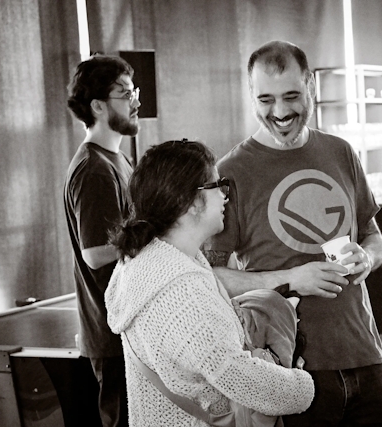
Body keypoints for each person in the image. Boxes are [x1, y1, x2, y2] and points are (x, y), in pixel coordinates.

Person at [205, 40, 382, 426]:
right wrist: (292, 279)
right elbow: (211, 277)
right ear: (251, 96)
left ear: (311, 87)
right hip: (289, 366)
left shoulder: (341, 152)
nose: (280, 112)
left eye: (291, 96)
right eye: (266, 99)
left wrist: (367, 256)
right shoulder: (231, 172)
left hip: (363, 350)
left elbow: (373, 236)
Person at [105, 139, 314, 426]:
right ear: (192, 201)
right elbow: (233, 372)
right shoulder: (181, 289)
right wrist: (302, 387)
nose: (225, 196)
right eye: (218, 185)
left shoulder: (144, 263)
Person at [64, 55, 140, 427]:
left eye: (134, 91)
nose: (136, 101)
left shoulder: (117, 160)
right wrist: (155, 232)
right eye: (125, 93)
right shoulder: (94, 170)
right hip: (112, 339)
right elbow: (95, 253)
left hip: (126, 331)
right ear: (97, 105)